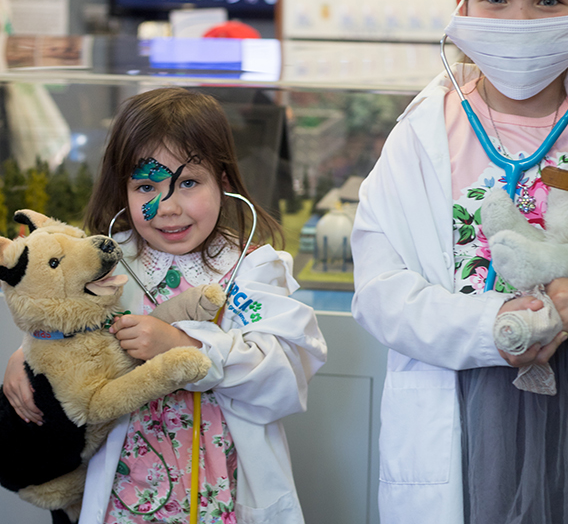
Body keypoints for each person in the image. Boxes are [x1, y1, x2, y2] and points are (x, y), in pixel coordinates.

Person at [351, 0, 568, 523]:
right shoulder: (425, 134)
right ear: (462, 8)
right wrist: (490, 329)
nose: (519, 20)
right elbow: (378, 290)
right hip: (467, 398)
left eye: (548, 0)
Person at [3, 86, 327, 524]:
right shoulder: (102, 265)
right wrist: (27, 355)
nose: (168, 207)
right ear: (123, 190)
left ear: (225, 181)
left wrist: (184, 344)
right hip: (119, 497)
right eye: (146, 186)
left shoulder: (253, 269)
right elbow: (62, 324)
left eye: (189, 183)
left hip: (220, 498)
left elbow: (285, 378)